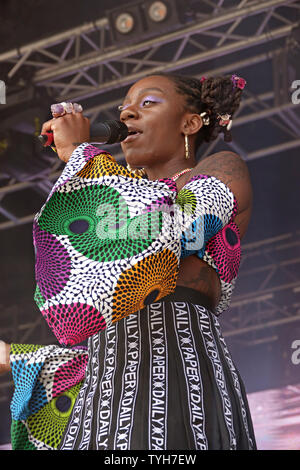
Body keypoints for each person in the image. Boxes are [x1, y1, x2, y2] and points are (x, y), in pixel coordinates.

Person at [0, 72, 256, 450]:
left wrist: (80, 154)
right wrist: (13, 357)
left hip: (177, 379)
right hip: (103, 400)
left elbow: (172, 229)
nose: (128, 114)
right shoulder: (123, 193)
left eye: (147, 103)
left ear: (191, 122)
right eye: (123, 108)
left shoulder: (223, 169)